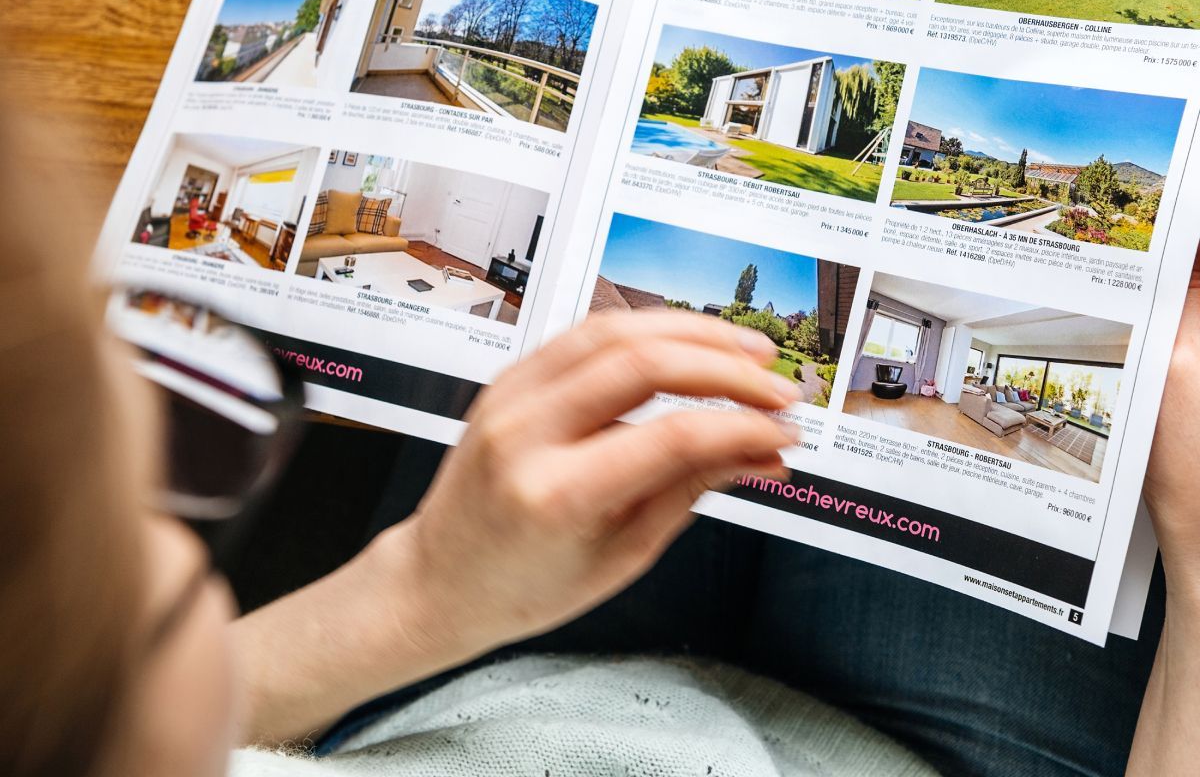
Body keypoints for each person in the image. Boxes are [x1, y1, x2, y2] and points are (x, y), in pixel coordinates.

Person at [2, 104, 1198, 777]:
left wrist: (426, 587)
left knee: (661, 386)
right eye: (167, 577)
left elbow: (215, 708)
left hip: (483, 676)